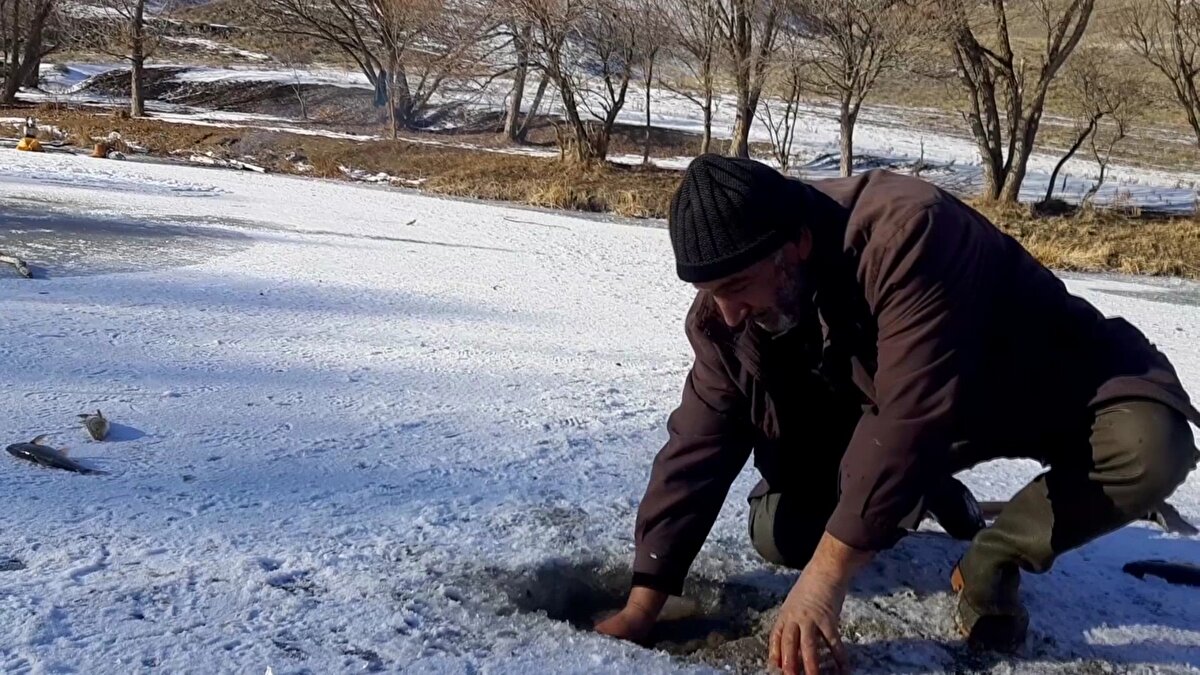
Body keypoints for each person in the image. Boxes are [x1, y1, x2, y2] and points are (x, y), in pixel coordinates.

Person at [595, 155, 1200, 674]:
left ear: (795, 245)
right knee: (782, 530)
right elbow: (697, 445)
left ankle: (992, 556)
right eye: (710, 292)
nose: (728, 312)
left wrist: (824, 583)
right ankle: (920, 490)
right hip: (906, 420)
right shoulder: (727, 314)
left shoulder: (909, 231)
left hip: (1032, 383)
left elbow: (911, 412)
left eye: (738, 286)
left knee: (1151, 446)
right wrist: (645, 601)